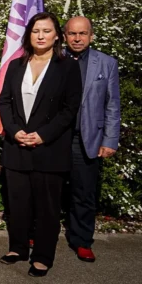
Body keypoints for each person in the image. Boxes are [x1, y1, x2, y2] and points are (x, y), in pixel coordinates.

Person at [0, 12, 81, 277]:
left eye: (46, 31)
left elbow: (70, 109)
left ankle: (43, 256)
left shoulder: (67, 66)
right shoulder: (15, 65)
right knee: (18, 202)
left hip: (50, 148)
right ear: (29, 35)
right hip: (17, 145)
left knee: (47, 207)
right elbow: (5, 102)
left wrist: (43, 134)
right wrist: (14, 130)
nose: (41, 35)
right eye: (36, 31)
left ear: (57, 35)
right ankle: (18, 248)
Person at [62, 16, 120, 263]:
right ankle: (38, 233)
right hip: (54, 137)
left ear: (91, 36)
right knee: (47, 189)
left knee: (83, 193)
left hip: (87, 138)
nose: (77, 38)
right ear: (64, 36)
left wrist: (110, 139)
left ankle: (82, 240)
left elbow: (112, 104)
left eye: (82, 34)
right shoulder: (54, 58)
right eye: (72, 34)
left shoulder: (106, 63)